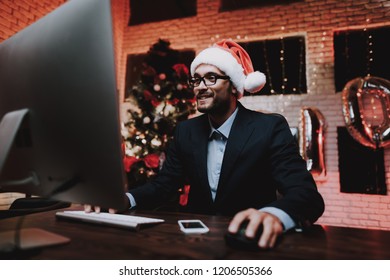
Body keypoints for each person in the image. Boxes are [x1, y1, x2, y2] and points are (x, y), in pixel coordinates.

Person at [86, 39, 325, 249]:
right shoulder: (185, 131)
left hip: (248, 245)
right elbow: (164, 185)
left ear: (234, 86)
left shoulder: (269, 128)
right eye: (196, 79)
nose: (200, 86)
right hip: (194, 246)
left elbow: (306, 195)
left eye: (211, 78)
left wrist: (275, 215)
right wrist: (124, 199)